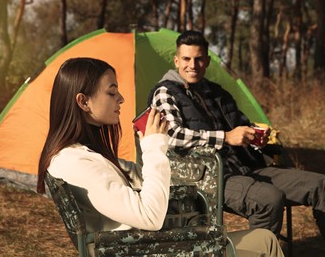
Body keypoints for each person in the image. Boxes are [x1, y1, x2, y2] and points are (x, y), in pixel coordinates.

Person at [37, 57, 284, 257]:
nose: (121, 99)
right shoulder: (77, 163)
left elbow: (127, 184)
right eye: (112, 93)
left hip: (137, 246)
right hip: (145, 248)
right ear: (83, 102)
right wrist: (154, 146)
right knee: (265, 241)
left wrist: (150, 150)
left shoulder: (78, 155)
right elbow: (149, 216)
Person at [147, 30, 325, 257]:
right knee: (268, 198)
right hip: (209, 177)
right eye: (186, 59)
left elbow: (240, 125)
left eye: (198, 58)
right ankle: (261, 253)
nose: (192, 65)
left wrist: (256, 138)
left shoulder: (217, 92)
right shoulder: (166, 92)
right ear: (177, 61)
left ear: (207, 60)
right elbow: (172, 136)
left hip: (248, 167)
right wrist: (225, 137)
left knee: (322, 185)